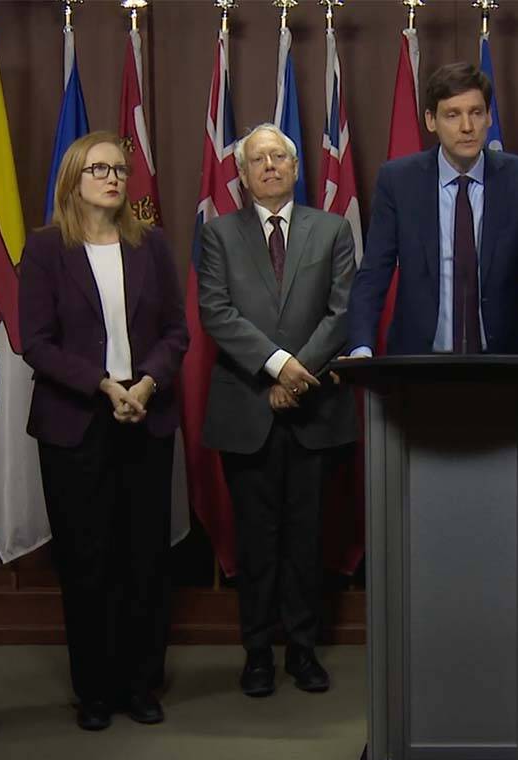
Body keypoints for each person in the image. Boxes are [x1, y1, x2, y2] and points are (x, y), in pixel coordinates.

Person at [19, 131, 189, 731]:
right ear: (74, 179)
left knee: (145, 558)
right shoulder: (45, 250)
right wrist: (102, 384)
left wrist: (145, 384)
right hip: (76, 423)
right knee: (87, 561)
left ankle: (141, 685)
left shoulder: (152, 246)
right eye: (99, 169)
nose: (113, 178)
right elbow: (34, 342)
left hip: (145, 416)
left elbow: (176, 332)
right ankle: (94, 690)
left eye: (119, 169)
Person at [197, 123, 357, 698]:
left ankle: (305, 651)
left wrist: (296, 374)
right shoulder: (217, 234)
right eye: (257, 160)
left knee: (307, 538)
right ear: (241, 174)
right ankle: (258, 652)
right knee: (256, 541)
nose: (269, 167)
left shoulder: (333, 229)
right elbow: (215, 311)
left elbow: (341, 313)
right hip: (247, 409)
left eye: (279, 157)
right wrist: (275, 366)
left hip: (313, 411)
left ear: (295, 168)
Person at [346, 62, 518, 358]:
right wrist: (360, 348)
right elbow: (374, 273)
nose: (467, 127)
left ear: (488, 117)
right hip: (417, 365)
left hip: (504, 365)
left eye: (476, 112)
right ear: (431, 120)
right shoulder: (398, 181)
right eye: (453, 114)